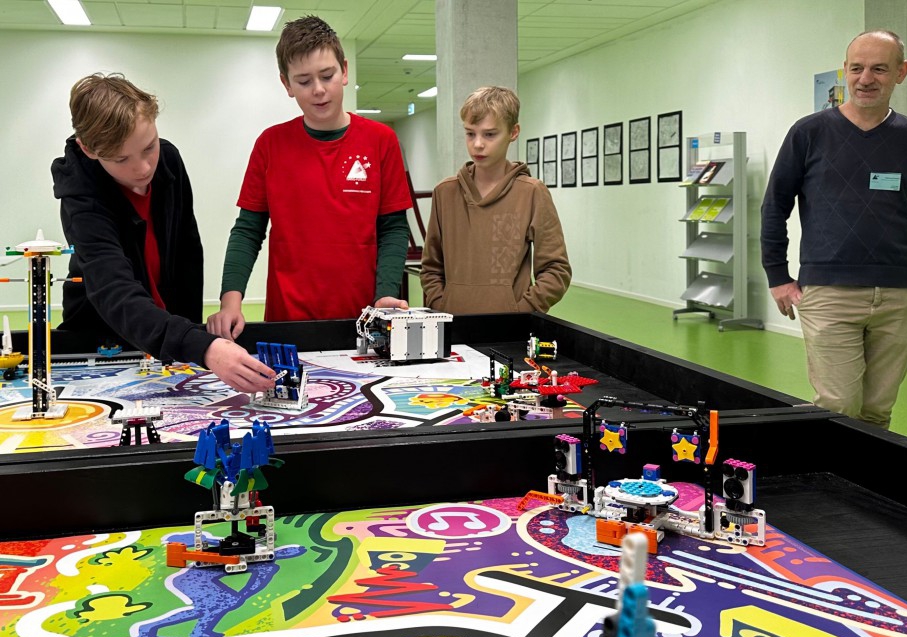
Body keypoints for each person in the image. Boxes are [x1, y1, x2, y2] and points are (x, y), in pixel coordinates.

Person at [760, 29, 907, 428]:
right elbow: (775, 206)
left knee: (876, 411)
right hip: (829, 292)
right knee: (837, 406)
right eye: (857, 68)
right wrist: (777, 276)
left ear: (901, 73)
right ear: (845, 70)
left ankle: (863, 473)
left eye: (879, 69)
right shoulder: (808, 133)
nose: (866, 79)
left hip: (901, 295)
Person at [52, 73, 274, 393]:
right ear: (87, 149)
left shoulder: (168, 159)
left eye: (149, 147)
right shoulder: (81, 198)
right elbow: (114, 291)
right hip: (104, 340)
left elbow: (187, 253)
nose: (143, 168)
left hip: (168, 337)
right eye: (121, 159)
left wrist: (189, 339)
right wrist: (202, 347)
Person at [208, 15, 412, 341]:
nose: (318, 90)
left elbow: (393, 228)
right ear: (286, 85)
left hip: (361, 320)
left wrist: (385, 294)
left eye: (327, 76)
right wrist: (230, 301)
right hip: (287, 322)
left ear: (344, 71)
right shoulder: (270, 145)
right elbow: (247, 230)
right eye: (303, 81)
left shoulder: (381, 141)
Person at [420, 86, 572, 314]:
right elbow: (431, 268)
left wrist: (521, 311)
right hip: (453, 326)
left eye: (489, 134)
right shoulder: (445, 192)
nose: (477, 144)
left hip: (510, 328)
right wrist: (442, 305)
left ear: (513, 132)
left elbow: (556, 270)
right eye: (470, 133)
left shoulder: (532, 193)